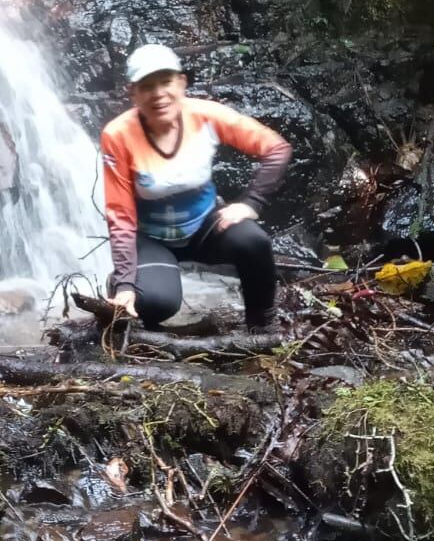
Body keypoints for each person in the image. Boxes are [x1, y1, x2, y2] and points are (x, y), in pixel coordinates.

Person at [100, 44, 291, 330]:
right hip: (151, 239)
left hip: (204, 228)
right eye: (147, 86)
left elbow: (276, 148)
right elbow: (120, 214)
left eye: (166, 82)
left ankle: (261, 327)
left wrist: (252, 202)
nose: (158, 94)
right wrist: (127, 283)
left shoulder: (206, 116)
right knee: (156, 303)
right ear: (133, 93)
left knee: (254, 242)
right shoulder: (118, 135)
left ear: (182, 83)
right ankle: (124, 285)